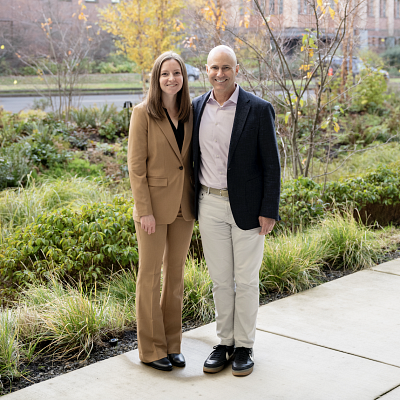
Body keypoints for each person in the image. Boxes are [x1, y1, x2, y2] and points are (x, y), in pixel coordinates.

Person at [192, 45, 281, 377]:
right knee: (219, 281)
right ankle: (224, 342)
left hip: (247, 207)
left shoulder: (258, 109)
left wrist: (269, 209)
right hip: (209, 204)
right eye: (214, 67)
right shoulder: (196, 107)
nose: (220, 73)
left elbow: (272, 165)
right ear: (207, 69)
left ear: (237, 69)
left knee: (245, 280)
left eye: (226, 67)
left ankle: (244, 346)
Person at [127, 51, 195, 372]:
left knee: (176, 276)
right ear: (156, 78)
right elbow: (136, 167)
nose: (172, 79)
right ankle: (150, 349)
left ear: (184, 78)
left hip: (185, 206)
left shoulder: (190, 112)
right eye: (165, 74)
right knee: (150, 276)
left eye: (177, 73)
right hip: (152, 210)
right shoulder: (143, 113)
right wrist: (144, 211)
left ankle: (172, 343)